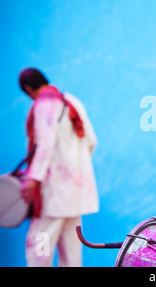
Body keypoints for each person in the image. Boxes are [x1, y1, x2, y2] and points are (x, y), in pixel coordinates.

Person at [19, 68, 99, 266]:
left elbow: (45, 144)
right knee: (71, 257)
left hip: (53, 197)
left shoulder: (44, 104)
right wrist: (74, 166)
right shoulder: (72, 101)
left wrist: (32, 179)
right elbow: (91, 141)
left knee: (39, 251)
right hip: (75, 195)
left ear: (28, 89)